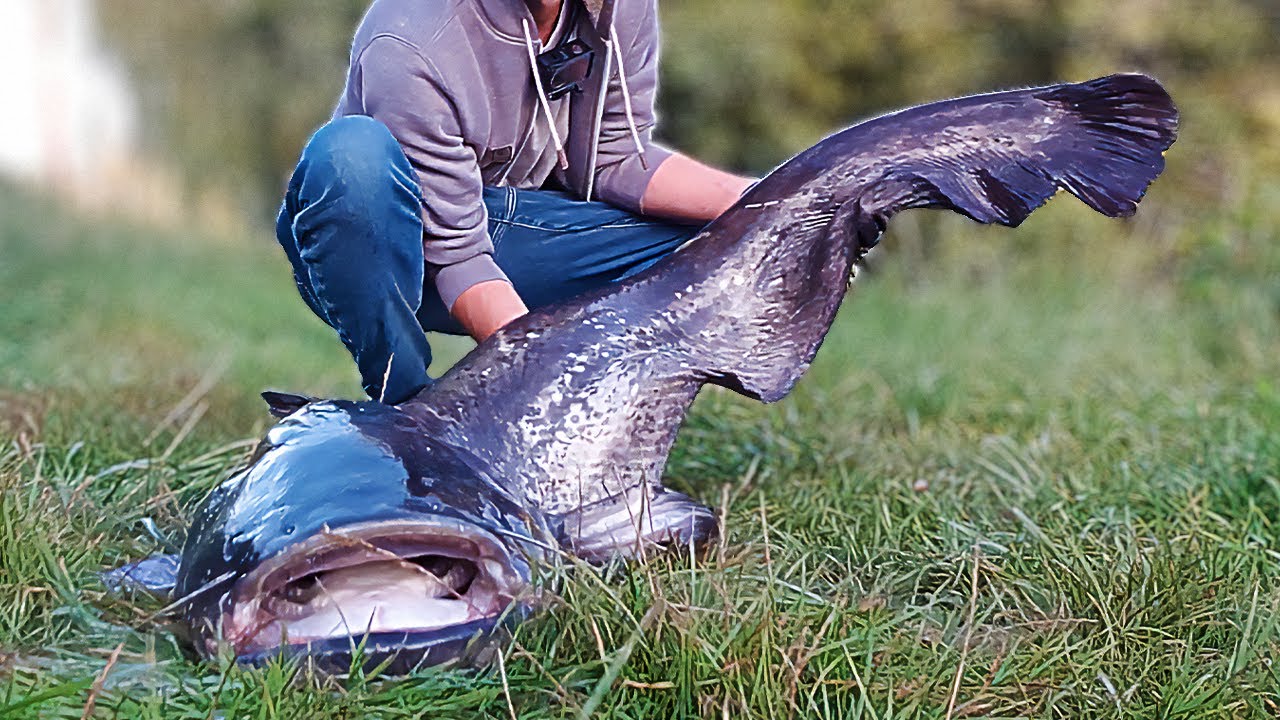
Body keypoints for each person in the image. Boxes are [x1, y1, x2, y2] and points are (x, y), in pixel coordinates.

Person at [275, 0, 754, 405]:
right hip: (387, 246)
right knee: (350, 154)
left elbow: (613, 156)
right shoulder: (411, 38)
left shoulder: (617, 6)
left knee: (725, 240)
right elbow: (459, 256)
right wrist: (546, 389)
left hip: (511, 221)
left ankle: (633, 411)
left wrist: (767, 202)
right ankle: (407, 407)